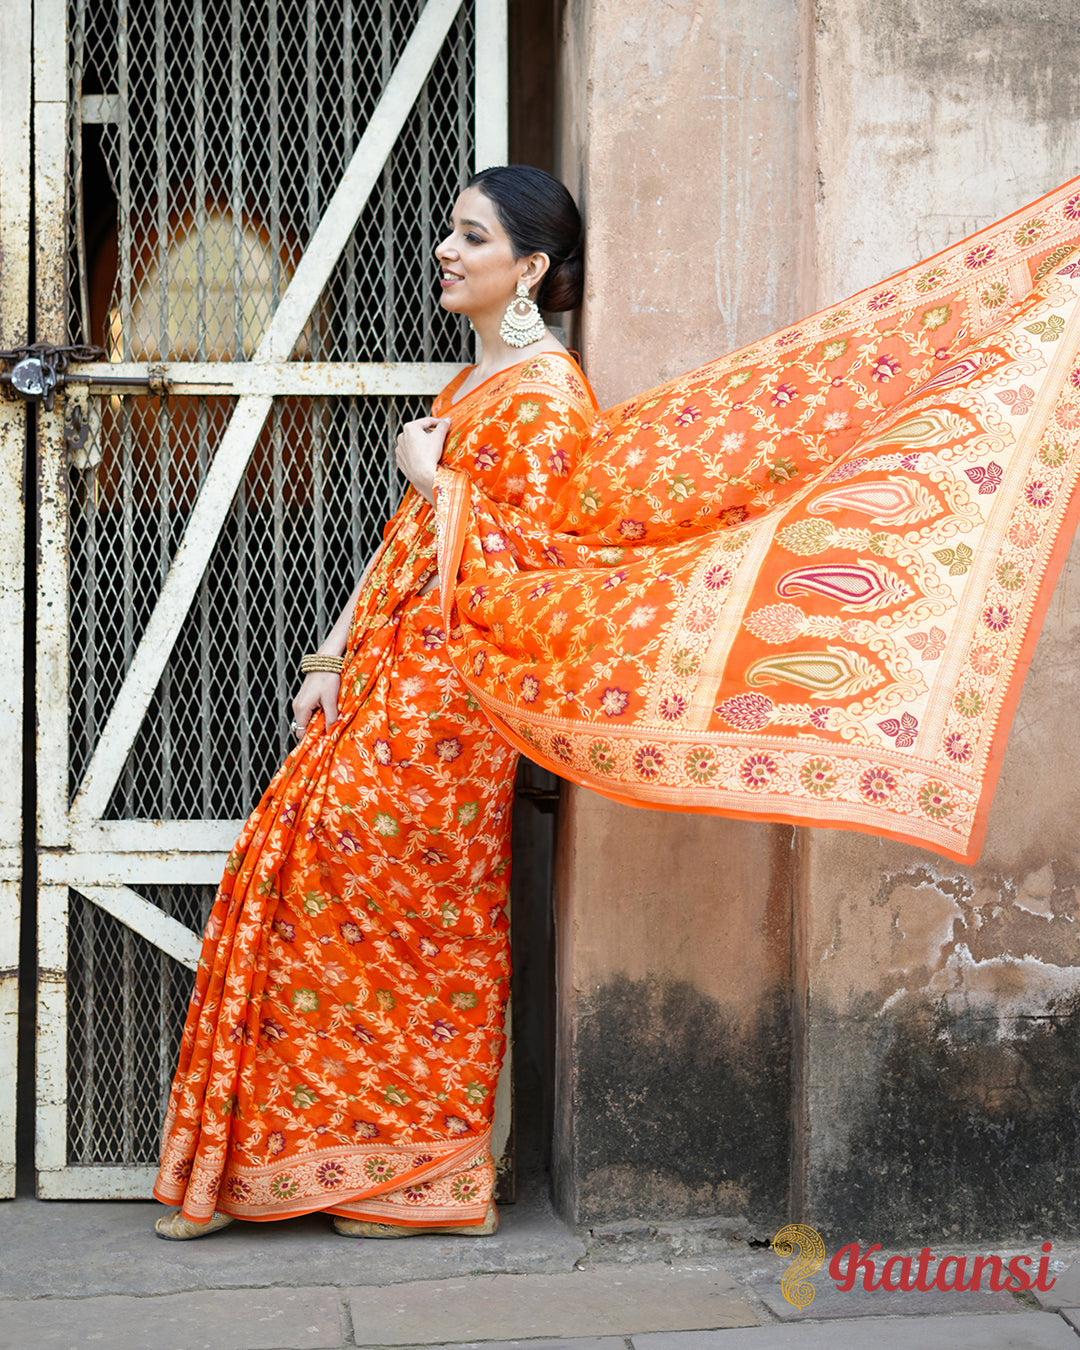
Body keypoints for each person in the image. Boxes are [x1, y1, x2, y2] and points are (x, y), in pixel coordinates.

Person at [152, 165, 597, 1238]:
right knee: (305, 881)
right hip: (385, 681)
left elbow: (543, 567)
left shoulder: (551, 396)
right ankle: (325, 1166)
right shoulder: (465, 392)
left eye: (472, 238)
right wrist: (327, 659)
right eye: (450, 232)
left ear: (528, 269)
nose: (446, 250)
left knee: (409, 918)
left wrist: (430, 479)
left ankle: (422, 1185)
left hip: (454, 706)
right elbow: (403, 547)